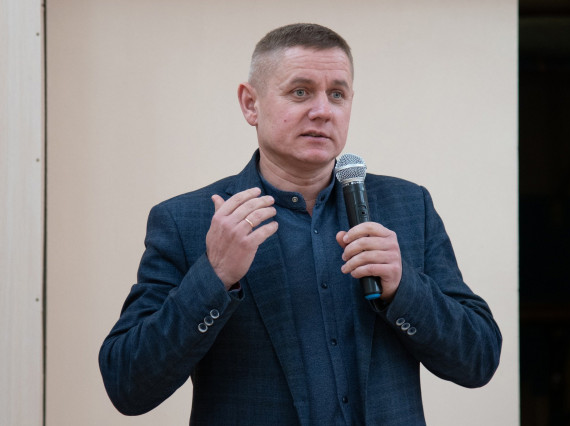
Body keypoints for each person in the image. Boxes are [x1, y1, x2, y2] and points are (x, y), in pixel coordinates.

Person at [99, 23, 502, 425]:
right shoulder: (189, 221)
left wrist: (404, 288)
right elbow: (127, 385)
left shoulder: (408, 207)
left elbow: (479, 360)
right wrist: (214, 276)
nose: (323, 110)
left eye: (337, 94)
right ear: (250, 104)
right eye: (300, 92)